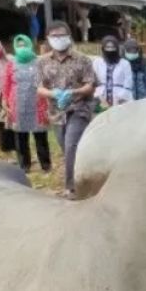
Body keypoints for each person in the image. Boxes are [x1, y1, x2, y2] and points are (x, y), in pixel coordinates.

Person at [37, 20, 95, 196]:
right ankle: (86, 171)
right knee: (67, 148)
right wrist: (53, 94)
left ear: (69, 36)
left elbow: (90, 85)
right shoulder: (43, 62)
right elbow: (39, 87)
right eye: (54, 36)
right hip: (56, 112)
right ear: (48, 38)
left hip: (79, 108)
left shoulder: (83, 59)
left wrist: (73, 92)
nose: (58, 39)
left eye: (62, 35)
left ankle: (72, 187)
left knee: (71, 145)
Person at [2, 34, 52, 173]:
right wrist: (5, 101)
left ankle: (46, 165)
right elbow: (6, 84)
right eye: (19, 46)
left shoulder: (38, 62)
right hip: (18, 104)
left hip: (38, 103)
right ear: (15, 48)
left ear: (30, 45)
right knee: (21, 137)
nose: (22, 48)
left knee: (40, 136)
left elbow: (46, 82)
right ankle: (25, 166)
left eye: (24, 45)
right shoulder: (11, 64)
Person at [91, 35, 134, 112]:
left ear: (117, 48)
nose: (110, 50)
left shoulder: (125, 63)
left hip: (121, 100)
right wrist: (101, 100)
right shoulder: (97, 62)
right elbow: (94, 82)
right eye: (107, 47)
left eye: (112, 47)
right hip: (101, 99)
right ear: (103, 48)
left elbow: (128, 84)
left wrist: (119, 100)